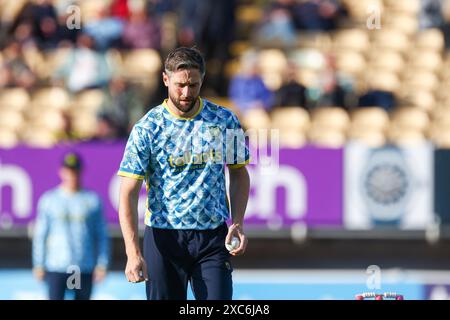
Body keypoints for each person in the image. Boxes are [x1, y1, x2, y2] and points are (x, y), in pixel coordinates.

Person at [117, 47, 251, 300]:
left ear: (202, 80)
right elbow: (128, 192)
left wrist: (238, 222)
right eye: (180, 85)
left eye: (194, 85)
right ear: (166, 79)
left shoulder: (224, 120)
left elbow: (239, 173)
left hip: (212, 237)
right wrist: (132, 252)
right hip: (164, 237)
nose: (187, 92)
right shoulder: (147, 127)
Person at [32, 152, 110, 300]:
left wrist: (102, 264)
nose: (72, 175)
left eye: (75, 171)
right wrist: (39, 264)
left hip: (81, 266)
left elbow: (100, 235)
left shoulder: (92, 200)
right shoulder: (49, 200)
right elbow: (41, 234)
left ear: (81, 172)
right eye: (68, 170)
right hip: (56, 265)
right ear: (61, 171)